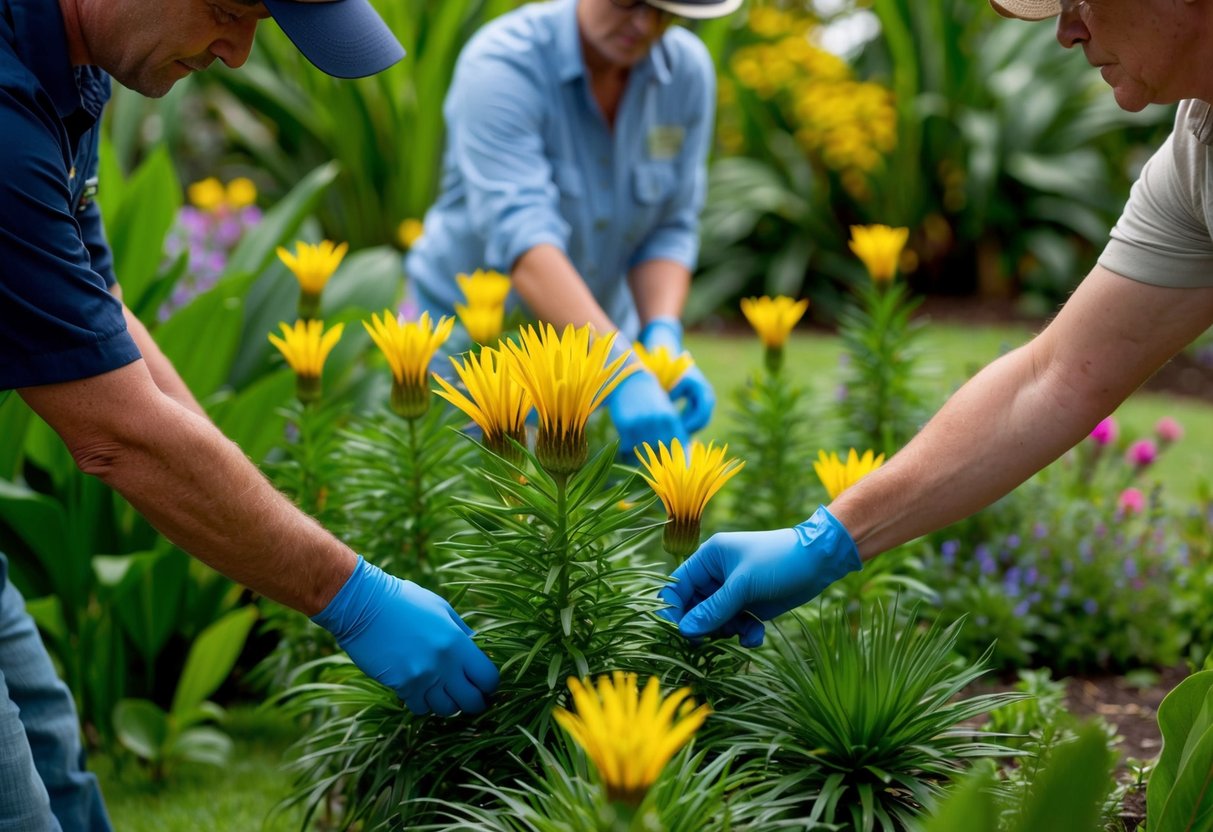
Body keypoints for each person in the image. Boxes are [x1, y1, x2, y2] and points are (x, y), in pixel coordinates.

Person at [0, 0, 498, 828]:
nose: (235, 55)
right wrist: (349, 594)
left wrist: (243, 503)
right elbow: (116, 434)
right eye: (229, 12)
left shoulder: (72, 67)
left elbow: (103, 314)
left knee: (61, 778)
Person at [660, 0, 1213, 648]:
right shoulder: (1194, 154)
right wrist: (823, 540)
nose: (1066, 30)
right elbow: (1055, 375)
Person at [405, 0, 740, 456]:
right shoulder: (502, 63)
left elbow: (671, 224)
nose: (643, 23)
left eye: (666, 11)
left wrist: (660, 331)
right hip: (476, 344)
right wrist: (620, 369)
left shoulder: (686, 74)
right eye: (630, 1)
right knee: (470, 507)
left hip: (596, 343)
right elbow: (522, 236)